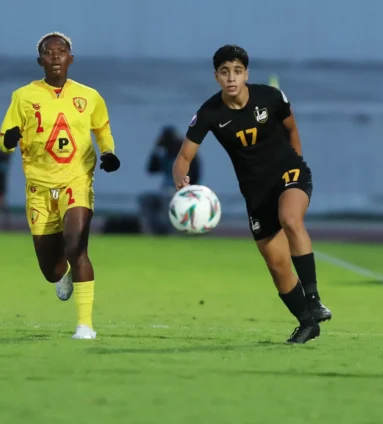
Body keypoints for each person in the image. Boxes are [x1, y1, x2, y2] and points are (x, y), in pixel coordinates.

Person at [172, 45, 331, 344]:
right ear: (216, 76)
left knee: (290, 219)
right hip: (256, 193)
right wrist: (182, 182)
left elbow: (292, 129)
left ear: (246, 73)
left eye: (237, 71)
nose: (231, 78)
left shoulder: (271, 98)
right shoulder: (209, 113)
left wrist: (296, 162)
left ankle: (314, 298)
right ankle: (308, 323)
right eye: (224, 72)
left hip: (289, 174)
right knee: (276, 264)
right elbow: (183, 157)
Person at [0, 32, 120, 340]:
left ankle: (85, 325)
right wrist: (8, 141)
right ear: (39, 60)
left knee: (77, 246)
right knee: (50, 270)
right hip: (39, 189)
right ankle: (63, 277)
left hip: (76, 181)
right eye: (48, 51)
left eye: (61, 50)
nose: (55, 55)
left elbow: (102, 128)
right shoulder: (23, 96)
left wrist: (108, 153)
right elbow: (4, 139)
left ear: (70, 59)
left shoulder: (89, 96)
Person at [139, 126, 201, 235]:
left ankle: (171, 231)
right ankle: (156, 229)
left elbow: (196, 174)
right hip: (166, 190)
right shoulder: (164, 155)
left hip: (183, 190)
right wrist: (156, 150)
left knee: (168, 200)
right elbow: (151, 169)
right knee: (145, 200)